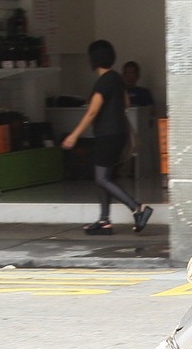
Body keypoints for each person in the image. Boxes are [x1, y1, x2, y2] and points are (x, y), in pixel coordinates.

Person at [62, 40, 153, 235]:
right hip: (118, 134)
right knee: (103, 176)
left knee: (102, 178)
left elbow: (92, 112)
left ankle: (137, 208)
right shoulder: (117, 78)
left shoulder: (102, 82)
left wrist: (74, 135)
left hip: (107, 135)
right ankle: (104, 221)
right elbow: (126, 103)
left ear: (94, 59)